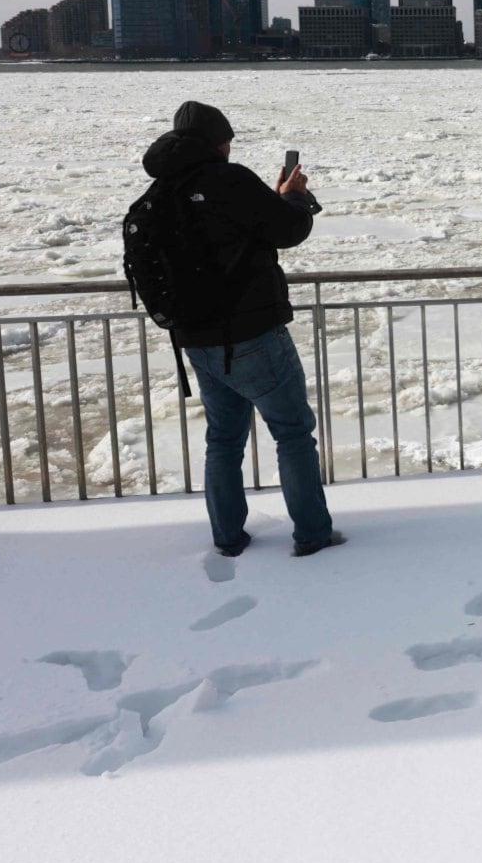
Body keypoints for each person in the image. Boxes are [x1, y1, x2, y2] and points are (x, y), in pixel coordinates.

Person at [140, 101, 345, 558]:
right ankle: (312, 535)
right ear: (219, 141)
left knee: (224, 438)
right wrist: (292, 196)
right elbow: (287, 230)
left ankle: (228, 537)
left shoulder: (163, 190)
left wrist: (271, 199)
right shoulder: (229, 180)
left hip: (196, 340)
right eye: (227, 139)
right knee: (292, 433)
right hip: (253, 336)